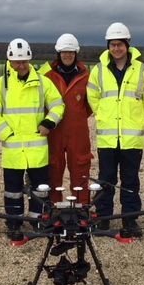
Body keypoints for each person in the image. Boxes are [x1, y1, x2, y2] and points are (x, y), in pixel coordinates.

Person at [0, 38, 65, 238]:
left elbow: (58, 105)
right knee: (12, 190)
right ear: (9, 61)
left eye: (24, 61)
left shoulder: (42, 82)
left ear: (29, 60)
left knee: (40, 189)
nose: (21, 65)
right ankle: (14, 223)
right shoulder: (0, 85)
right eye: (17, 61)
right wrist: (6, 133)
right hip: (13, 149)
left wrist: (49, 123)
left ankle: (39, 221)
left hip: (37, 148)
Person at [87, 23, 144, 237]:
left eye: (120, 44)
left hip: (131, 138)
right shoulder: (98, 70)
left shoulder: (142, 70)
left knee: (130, 181)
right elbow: (93, 97)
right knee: (106, 180)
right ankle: (103, 219)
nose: (116, 48)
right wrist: (103, 115)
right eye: (112, 44)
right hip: (108, 138)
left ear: (127, 45)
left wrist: (138, 118)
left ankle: (130, 220)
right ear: (108, 46)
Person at [38, 33, 94, 205]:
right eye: (64, 52)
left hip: (78, 132)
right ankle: (53, 209)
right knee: (53, 171)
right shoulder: (45, 75)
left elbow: (90, 104)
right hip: (53, 132)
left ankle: (81, 208)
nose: (67, 55)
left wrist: (76, 117)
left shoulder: (86, 75)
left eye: (70, 52)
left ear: (76, 53)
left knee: (80, 169)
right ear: (58, 53)